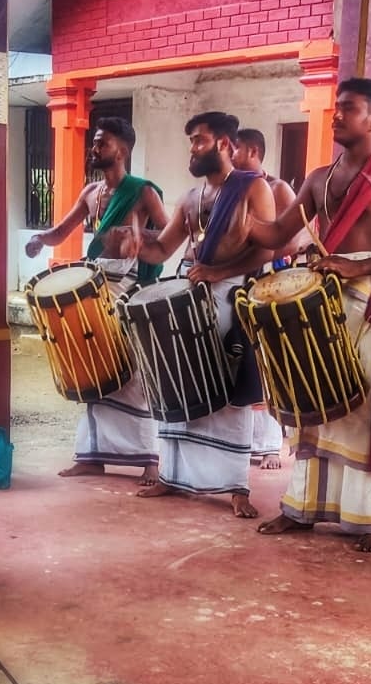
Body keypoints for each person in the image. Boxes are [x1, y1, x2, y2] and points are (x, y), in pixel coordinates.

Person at [246, 77, 371, 553]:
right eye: (338, 107)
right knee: (314, 405)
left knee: (361, 407)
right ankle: (302, 509)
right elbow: (278, 234)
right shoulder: (318, 178)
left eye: (350, 108)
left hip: (369, 298)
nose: (338, 114)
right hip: (323, 301)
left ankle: (369, 519)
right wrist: (241, 215)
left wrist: (357, 265)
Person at [112, 112, 277, 518]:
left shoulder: (252, 188)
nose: (193, 148)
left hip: (232, 294)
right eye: (190, 141)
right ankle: (172, 474)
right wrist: (138, 245)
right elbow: (162, 250)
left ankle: (236, 486)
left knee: (227, 394)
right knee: (178, 381)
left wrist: (219, 272)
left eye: (199, 140)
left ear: (225, 144)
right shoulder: (190, 198)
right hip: (189, 290)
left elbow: (268, 250)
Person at [25, 117, 168, 484]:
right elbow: (62, 231)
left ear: (121, 150)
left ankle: (150, 459)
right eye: (95, 142)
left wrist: (137, 234)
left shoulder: (143, 191)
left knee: (133, 371)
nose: (94, 147)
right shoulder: (91, 192)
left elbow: (169, 235)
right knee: (93, 366)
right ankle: (92, 456)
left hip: (130, 288)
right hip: (97, 285)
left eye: (101, 143)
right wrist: (41, 239)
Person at [232, 126, 293, 470]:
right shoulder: (230, 190)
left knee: (267, 363)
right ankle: (240, 442)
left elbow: (292, 239)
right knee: (240, 361)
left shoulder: (278, 189)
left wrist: (258, 251)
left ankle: (270, 445)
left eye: (235, 149)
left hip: (269, 283)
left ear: (253, 151)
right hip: (238, 281)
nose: (230, 156)